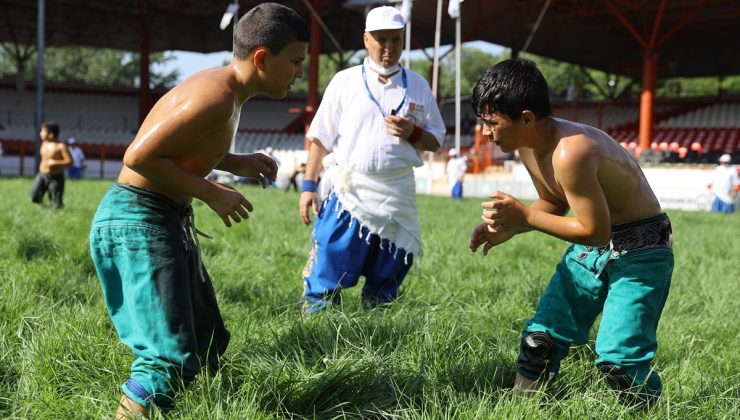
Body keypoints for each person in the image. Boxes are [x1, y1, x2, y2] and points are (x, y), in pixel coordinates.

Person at [88, 4, 308, 417]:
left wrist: (235, 161)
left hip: (159, 220)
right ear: (262, 58)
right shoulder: (216, 98)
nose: (299, 73)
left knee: (207, 339)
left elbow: (183, 148)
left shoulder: (224, 93)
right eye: (295, 62)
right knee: (166, 357)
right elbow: (138, 157)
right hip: (139, 222)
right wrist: (211, 192)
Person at [468, 59, 674, 408]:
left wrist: (526, 217)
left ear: (527, 118)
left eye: (492, 122)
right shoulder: (527, 145)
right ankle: (518, 411)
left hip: (642, 250)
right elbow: (553, 200)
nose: (485, 132)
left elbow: (594, 231)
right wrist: (511, 227)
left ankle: (652, 409)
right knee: (540, 341)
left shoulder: (571, 151)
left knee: (619, 363)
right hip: (592, 248)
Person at [299, 6, 445, 313]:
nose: (388, 47)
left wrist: (414, 133)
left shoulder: (417, 84)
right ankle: (315, 324)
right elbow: (320, 137)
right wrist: (308, 186)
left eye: (395, 39)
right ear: (366, 40)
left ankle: (377, 323)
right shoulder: (345, 81)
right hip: (351, 189)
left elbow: (437, 138)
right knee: (330, 258)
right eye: (381, 39)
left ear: (403, 40)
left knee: (389, 268)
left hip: (397, 190)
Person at [30, 122, 72, 208]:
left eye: (43, 131)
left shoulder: (61, 146)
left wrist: (55, 162)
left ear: (51, 134)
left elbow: (70, 161)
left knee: (56, 202)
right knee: (34, 197)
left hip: (56, 177)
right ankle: (45, 208)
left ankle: (54, 212)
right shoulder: (44, 144)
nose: (40, 133)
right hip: (41, 175)